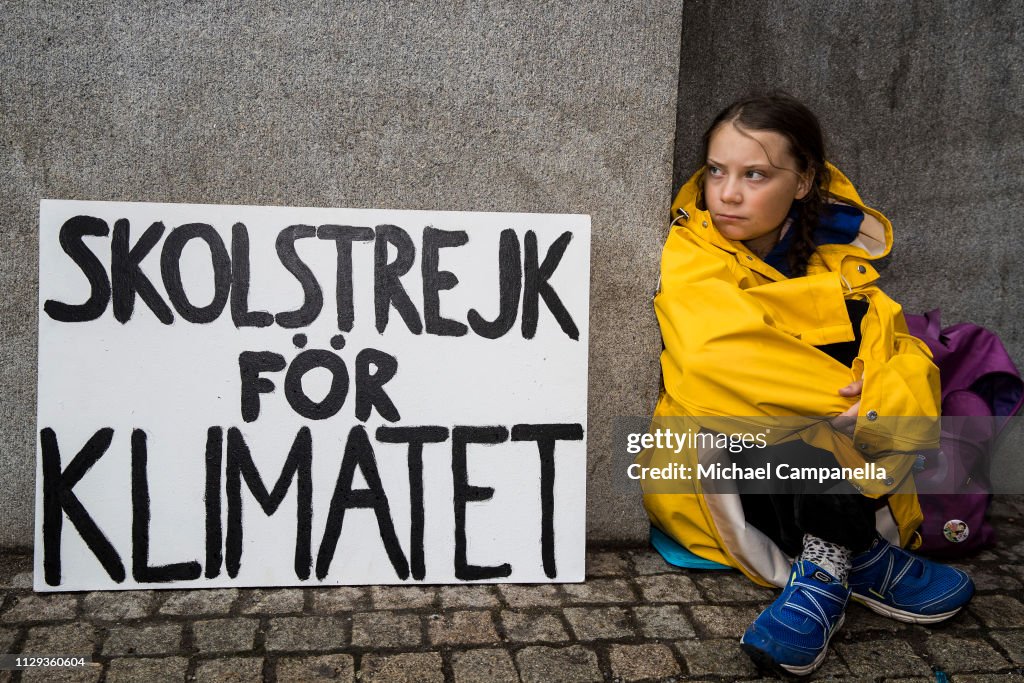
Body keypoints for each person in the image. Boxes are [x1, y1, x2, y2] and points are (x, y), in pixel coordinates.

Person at [639, 92, 974, 676]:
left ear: (802, 182)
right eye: (717, 171)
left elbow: (902, 355)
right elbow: (717, 361)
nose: (729, 193)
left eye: (756, 174)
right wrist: (851, 408)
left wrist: (878, 399)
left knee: (854, 365)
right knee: (771, 407)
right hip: (729, 466)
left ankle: (830, 564)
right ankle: (848, 558)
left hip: (828, 464)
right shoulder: (692, 250)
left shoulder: (839, 257)